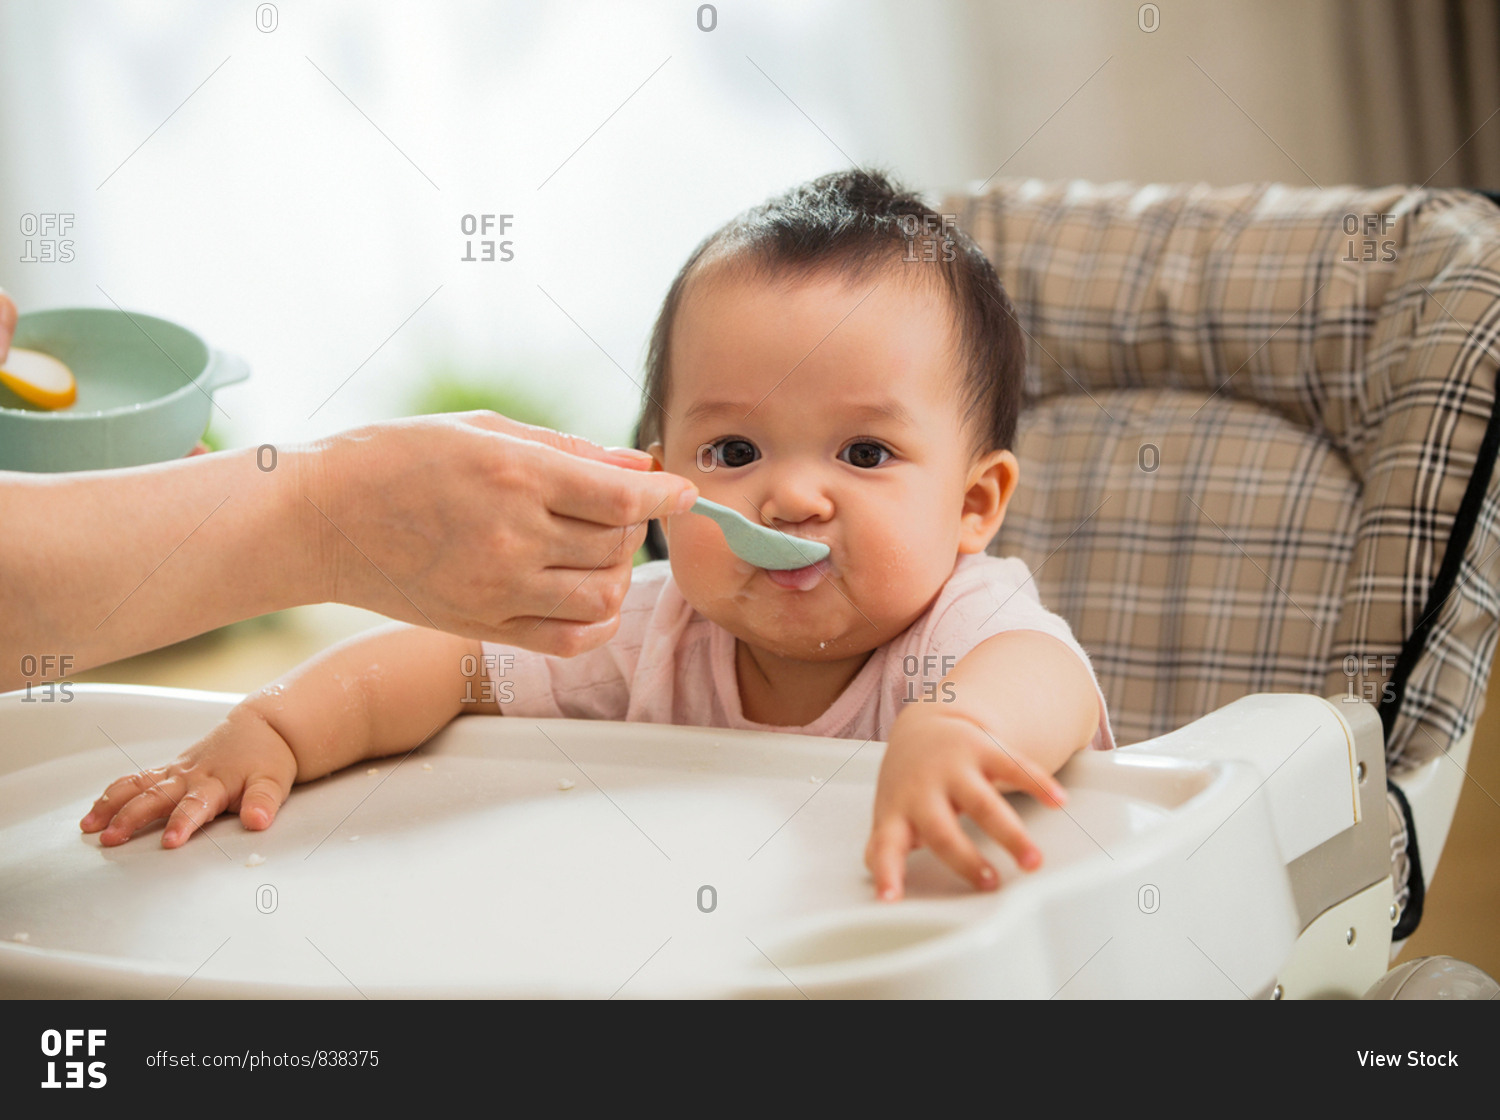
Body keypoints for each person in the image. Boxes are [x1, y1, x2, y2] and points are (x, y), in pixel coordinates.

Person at [81, 169, 1117, 901]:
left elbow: (1045, 678)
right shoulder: (652, 628)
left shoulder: (956, 640)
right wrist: (278, 726)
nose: (792, 499)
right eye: (733, 450)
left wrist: (961, 735)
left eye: (863, 454)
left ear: (976, 505)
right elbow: (451, 666)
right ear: (657, 466)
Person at [0, 287, 698, 692]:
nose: (800, 499)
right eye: (736, 450)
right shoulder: (638, 637)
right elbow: (417, 678)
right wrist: (322, 518)